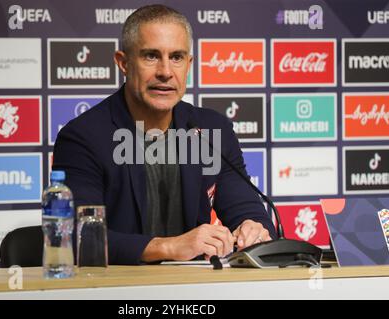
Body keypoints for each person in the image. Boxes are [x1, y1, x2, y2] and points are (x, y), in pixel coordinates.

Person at [53, 4, 276, 265]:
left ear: (189, 64)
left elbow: (248, 211)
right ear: (123, 63)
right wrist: (170, 247)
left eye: (177, 57)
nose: (165, 71)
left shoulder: (211, 130)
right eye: (151, 56)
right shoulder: (83, 137)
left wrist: (254, 229)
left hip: (196, 291)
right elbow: (78, 237)